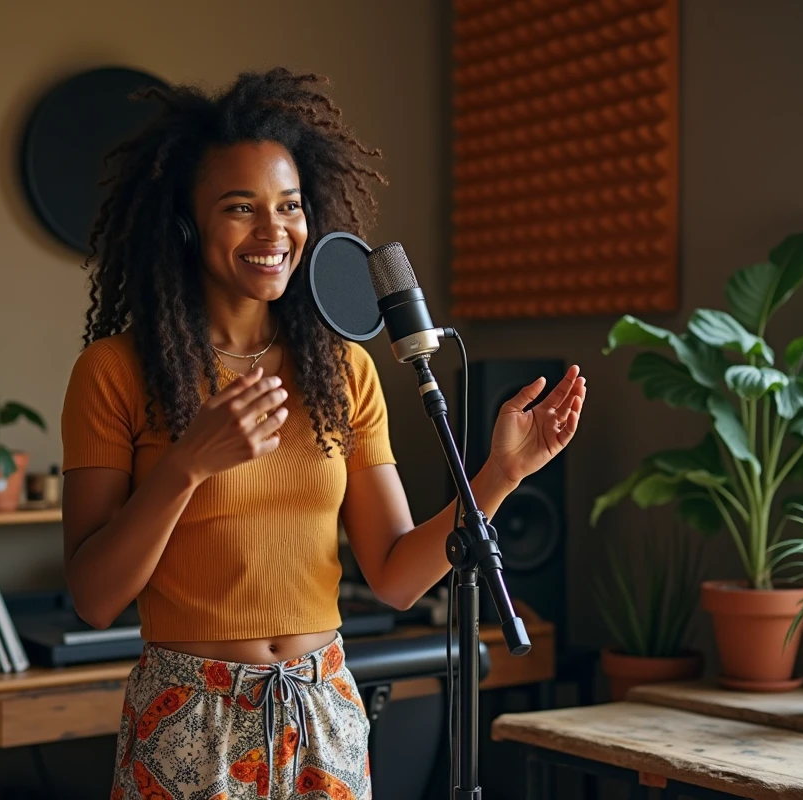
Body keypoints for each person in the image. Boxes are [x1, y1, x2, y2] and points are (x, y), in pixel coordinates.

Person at [60, 67, 586, 800]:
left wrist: (499, 476)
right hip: (189, 719)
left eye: (291, 206)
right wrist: (186, 467)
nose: (274, 231)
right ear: (184, 222)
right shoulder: (114, 372)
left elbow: (397, 576)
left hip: (322, 710)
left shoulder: (345, 369)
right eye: (241, 208)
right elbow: (92, 596)